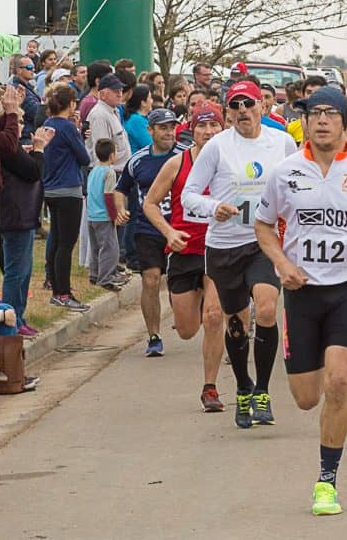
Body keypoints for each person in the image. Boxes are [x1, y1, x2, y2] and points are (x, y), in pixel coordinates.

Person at [255, 87, 347, 516]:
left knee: (339, 382)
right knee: (306, 397)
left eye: (329, 114)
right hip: (301, 292)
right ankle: (311, 370)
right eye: (313, 113)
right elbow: (264, 226)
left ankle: (326, 481)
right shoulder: (284, 173)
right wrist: (281, 262)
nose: (320, 120)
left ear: (344, 123)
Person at [182, 80, 298, 428]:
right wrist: (213, 206)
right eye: (235, 105)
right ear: (227, 112)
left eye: (249, 103)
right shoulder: (217, 147)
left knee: (265, 307)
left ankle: (262, 390)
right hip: (224, 246)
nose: (243, 111)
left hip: (263, 242)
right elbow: (190, 195)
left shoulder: (282, 142)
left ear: (262, 106)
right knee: (236, 321)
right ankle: (244, 386)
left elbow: (299, 185)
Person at [142, 102, 226, 410]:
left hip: (218, 249)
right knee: (188, 329)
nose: (208, 132)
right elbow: (150, 204)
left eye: (213, 125)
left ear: (223, 128)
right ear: (191, 130)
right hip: (184, 249)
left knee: (214, 318)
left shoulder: (231, 163)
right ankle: (204, 303)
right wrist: (168, 233)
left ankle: (211, 388)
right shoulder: (176, 164)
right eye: (202, 126)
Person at [115, 108, 185, 357]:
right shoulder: (138, 160)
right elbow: (120, 188)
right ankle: (154, 335)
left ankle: (186, 313)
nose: (168, 132)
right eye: (163, 127)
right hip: (147, 228)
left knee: (180, 285)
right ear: (150, 130)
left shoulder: (184, 156)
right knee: (151, 279)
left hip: (179, 228)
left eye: (171, 127)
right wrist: (121, 209)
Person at [0, 84, 45, 335]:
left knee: (23, 269)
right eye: (16, 120)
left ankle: (19, 317)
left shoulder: (10, 144)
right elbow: (33, 170)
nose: (20, 122)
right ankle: (11, 321)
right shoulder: (7, 142)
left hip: (21, 212)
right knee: (16, 270)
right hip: (15, 212)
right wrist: (38, 149)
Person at [42, 83, 91, 312]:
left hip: (50, 189)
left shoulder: (47, 124)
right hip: (69, 189)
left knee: (56, 239)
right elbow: (84, 157)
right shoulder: (67, 127)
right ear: (70, 104)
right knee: (66, 244)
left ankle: (54, 286)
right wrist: (79, 134)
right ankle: (63, 292)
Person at [86, 139, 127, 291]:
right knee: (110, 248)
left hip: (91, 216)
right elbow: (108, 196)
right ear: (112, 156)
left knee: (96, 247)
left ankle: (94, 274)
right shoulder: (110, 173)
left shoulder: (94, 170)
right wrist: (114, 215)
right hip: (104, 216)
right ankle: (106, 278)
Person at [85, 74, 131, 173]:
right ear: (102, 95)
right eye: (115, 91)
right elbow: (101, 155)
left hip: (118, 173)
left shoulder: (114, 111)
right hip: (110, 174)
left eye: (121, 90)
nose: (120, 94)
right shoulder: (99, 115)